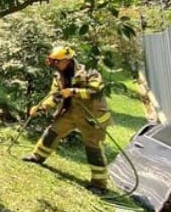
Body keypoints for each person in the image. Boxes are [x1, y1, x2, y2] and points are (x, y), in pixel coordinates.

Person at [22, 46, 112, 195]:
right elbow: (55, 95)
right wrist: (41, 107)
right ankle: (37, 157)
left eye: (57, 62)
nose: (55, 66)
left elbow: (95, 91)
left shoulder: (89, 72)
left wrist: (73, 91)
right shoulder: (59, 75)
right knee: (52, 132)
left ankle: (99, 184)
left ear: (67, 60)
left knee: (93, 148)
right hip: (70, 113)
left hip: (91, 117)